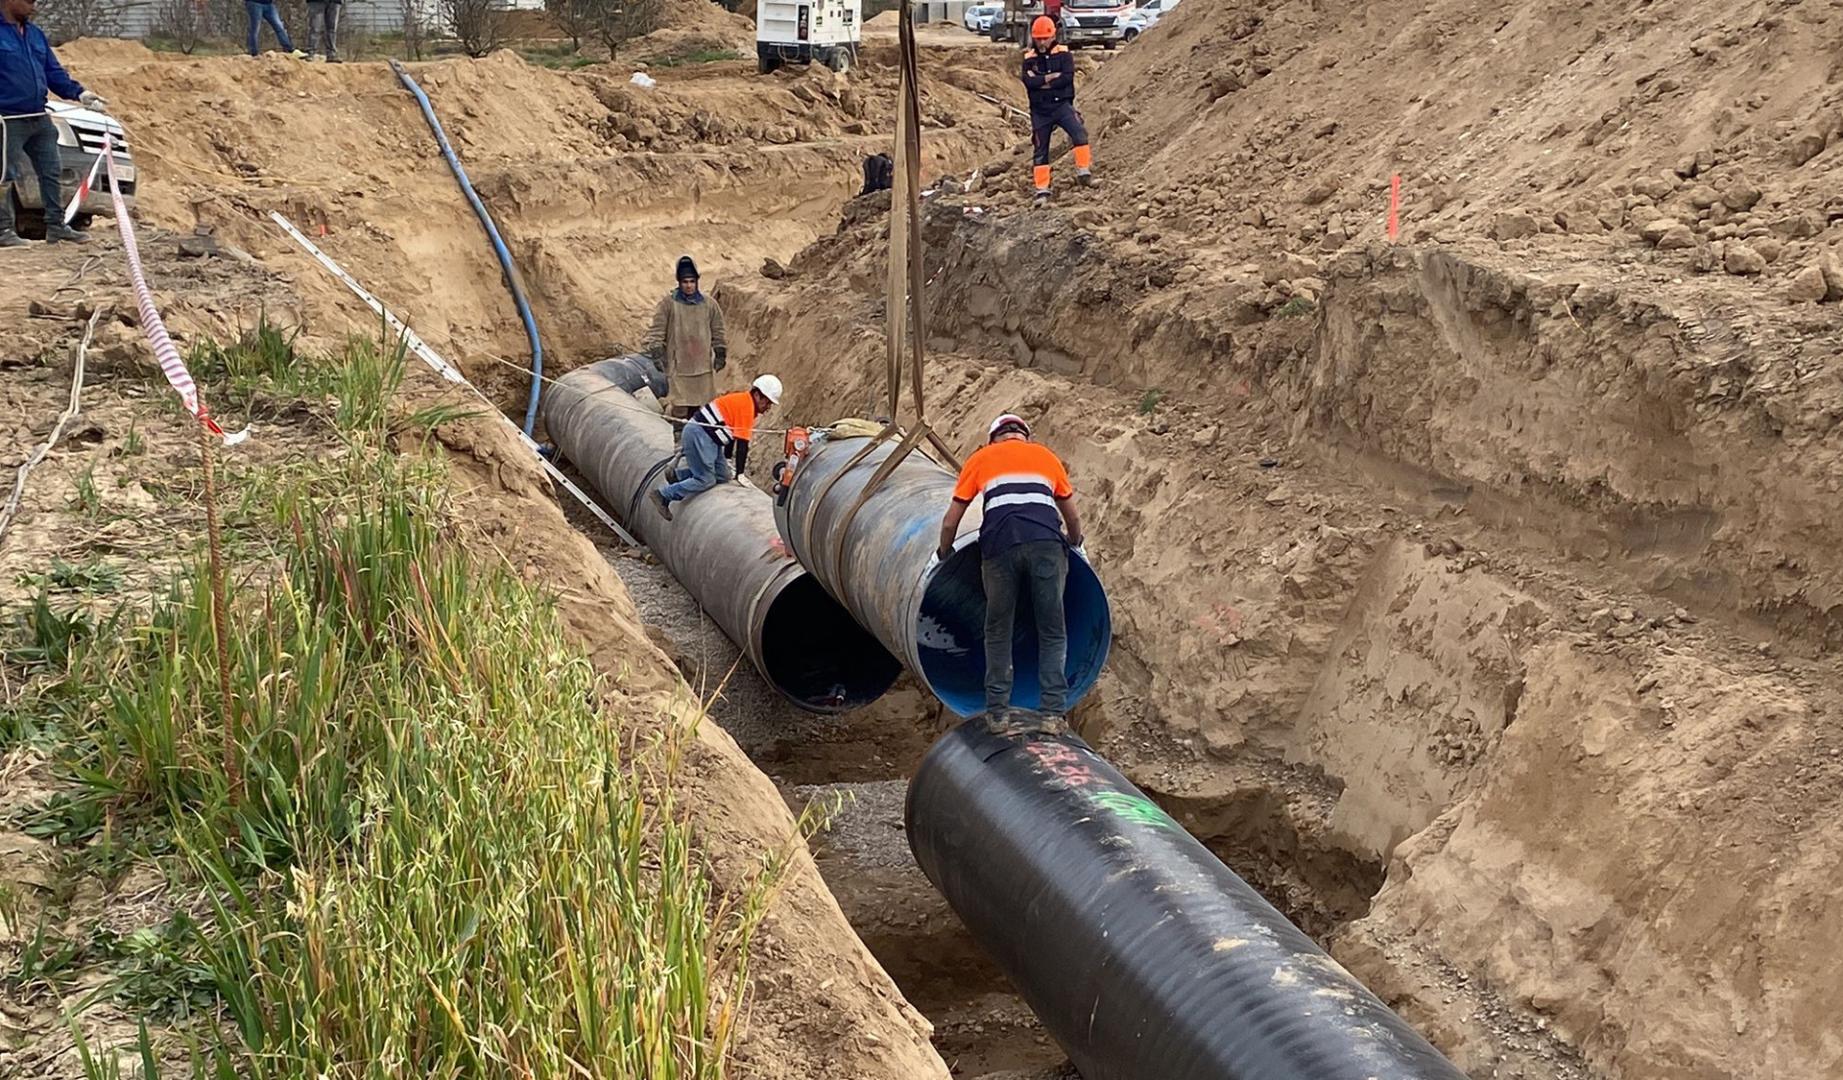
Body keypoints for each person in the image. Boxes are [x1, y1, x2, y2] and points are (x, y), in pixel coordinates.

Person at [933, 413, 1085, 717]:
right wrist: (1075, 542)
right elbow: (1073, 516)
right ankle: (1053, 714)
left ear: (993, 439)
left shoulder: (981, 458)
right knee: (1052, 630)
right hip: (1046, 546)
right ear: (1024, 436)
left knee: (998, 630)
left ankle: (998, 712)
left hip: (999, 549)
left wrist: (942, 554)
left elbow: (951, 521)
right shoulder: (1046, 457)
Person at [0, 0, 106, 246]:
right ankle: (3, 230)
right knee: (5, 175)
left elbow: (52, 72)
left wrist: (80, 94)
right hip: (7, 120)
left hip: (38, 117)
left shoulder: (35, 35)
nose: (33, 6)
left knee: (51, 170)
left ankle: (56, 227)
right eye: (28, 1)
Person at [651, 375, 782, 521]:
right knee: (705, 480)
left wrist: (727, 460)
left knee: (723, 475)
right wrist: (740, 474)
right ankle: (663, 495)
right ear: (757, 395)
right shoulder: (746, 406)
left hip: (708, 438)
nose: (768, 407)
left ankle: (678, 476)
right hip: (700, 435)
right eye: (767, 402)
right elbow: (742, 445)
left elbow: (732, 435)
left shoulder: (744, 403)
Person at [643, 255, 729, 421]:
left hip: (703, 368)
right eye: (685, 282)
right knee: (680, 408)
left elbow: (718, 331)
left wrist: (720, 353)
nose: (688, 286)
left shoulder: (709, 304)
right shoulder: (668, 304)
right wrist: (656, 351)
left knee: (703, 409)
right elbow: (657, 330)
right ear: (679, 282)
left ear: (697, 281)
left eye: (691, 281)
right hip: (679, 367)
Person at [1020, 16, 1093, 203]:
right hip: (1040, 110)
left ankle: (1084, 172)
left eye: (1045, 38)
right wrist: (1050, 78)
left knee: (1079, 134)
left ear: (1053, 35)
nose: (1042, 42)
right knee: (1040, 149)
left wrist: (1041, 80)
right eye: (1038, 38)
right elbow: (1029, 82)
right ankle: (1042, 189)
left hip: (1061, 105)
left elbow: (1066, 79)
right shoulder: (1029, 59)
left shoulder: (1064, 55)